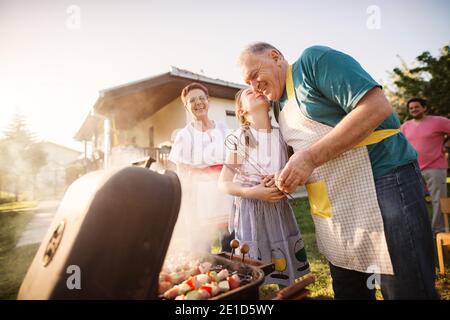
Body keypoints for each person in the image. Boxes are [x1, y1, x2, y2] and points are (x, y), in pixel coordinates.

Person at [238, 42, 438, 299]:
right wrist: (284, 174)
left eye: (255, 75)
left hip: (383, 182)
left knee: (404, 289)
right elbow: (303, 150)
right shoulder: (277, 106)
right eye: (248, 82)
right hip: (335, 208)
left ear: (275, 57)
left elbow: (376, 107)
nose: (254, 86)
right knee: (348, 290)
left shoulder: (314, 61)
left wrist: (309, 158)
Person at [218, 87, 310, 287]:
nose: (256, 91)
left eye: (256, 90)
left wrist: (281, 179)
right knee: (253, 266)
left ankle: (287, 291)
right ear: (242, 111)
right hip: (251, 210)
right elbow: (223, 183)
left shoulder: (282, 136)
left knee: (282, 257)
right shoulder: (243, 137)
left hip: (278, 209)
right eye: (249, 94)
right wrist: (252, 191)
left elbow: (293, 171)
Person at [168, 82, 233, 253]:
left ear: (208, 101)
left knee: (230, 242)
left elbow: (233, 159)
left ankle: (233, 276)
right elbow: (181, 173)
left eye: (201, 98)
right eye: (192, 100)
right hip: (200, 195)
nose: (198, 103)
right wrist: (186, 201)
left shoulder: (222, 127)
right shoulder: (184, 135)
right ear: (186, 106)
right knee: (202, 247)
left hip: (224, 191)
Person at [401, 98, 450, 235]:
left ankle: (438, 230)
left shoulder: (438, 121)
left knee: (438, 200)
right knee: (413, 201)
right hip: (413, 169)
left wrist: (446, 145)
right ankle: (420, 231)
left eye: (417, 107)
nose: (414, 110)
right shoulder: (405, 126)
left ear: (424, 108)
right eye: (411, 108)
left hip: (435, 167)